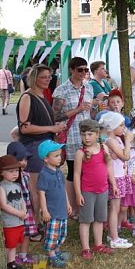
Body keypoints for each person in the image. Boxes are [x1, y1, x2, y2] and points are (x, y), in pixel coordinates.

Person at [16, 64, 67, 216]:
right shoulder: (27, 97)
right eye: (43, 77)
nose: (47, 80)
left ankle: (44, 219)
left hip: (44, 145)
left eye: (49, 77)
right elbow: (25, 128)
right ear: (34, 78)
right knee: (37, 187)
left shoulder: (41, 95)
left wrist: (54, 127)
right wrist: (51, 128)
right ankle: (37, 222)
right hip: (34, 146)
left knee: (44, 186)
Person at [52, 56, 94, 210]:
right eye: (80, 70)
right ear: (72, 70)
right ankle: (72, 207)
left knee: (87, 170)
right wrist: (78, 109)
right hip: (72, 135)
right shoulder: (62, 90)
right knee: (73, 171)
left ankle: (85, 204)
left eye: (86, 70)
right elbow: (56, 116)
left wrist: (96, 108)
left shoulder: (88, 88)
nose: (83, 73)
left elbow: (90, 113)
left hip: (88, 134)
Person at [73, 119, 116, 259]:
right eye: (83, 134)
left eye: (90, 134)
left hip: (103, 190)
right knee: (85, 220)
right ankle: (85, 248)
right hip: (87, 191)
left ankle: (98, 244)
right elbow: (76, 174)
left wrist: (113, 184)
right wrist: (78, 193)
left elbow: (109, 167)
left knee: (99, 219)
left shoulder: (104, 148)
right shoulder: (80, 153)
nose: (86, 138)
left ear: (97, 134)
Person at [37, 140, 73, 268]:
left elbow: (63, 189)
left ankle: (57, 251)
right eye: (56, 156)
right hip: (52, 212)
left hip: (61, 210)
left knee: (61, 233)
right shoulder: (44, 174)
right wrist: (44, 210)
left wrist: (68, 204)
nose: (60, 158)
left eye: (60, 155)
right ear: (46, 159)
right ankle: (52, 255)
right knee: (52, 234)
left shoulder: (59, 172)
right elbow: (41, 194)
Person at [100, 111, 133, 249]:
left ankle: (111, 233)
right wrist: (128, 141)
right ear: (112, 126)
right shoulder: (110, 141)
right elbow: (126, 156)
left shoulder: (117, 139)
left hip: (121, 175)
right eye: (121, 125)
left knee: (116, 208)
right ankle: (114, 238)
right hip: (115, 177)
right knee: (114, 208)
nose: (123, 128)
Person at [6, 141, 41, 262]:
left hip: (27, 210)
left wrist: (34, 208)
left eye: (25, 159)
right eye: (20, 159)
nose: (23, 163)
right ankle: (13, 256)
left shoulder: (26, 175)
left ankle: (23, 254)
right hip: (14, 211)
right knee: (15, 234)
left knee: (27, 233)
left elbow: (30, 191)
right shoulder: (9, 180)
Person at [0, 154, 27, 269]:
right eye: (11, 171)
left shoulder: (17, 185)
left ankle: (12, 262)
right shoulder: (1, 187)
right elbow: (3, 205)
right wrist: (19, 213)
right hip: (9, 222)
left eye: (16, 171)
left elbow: (22, 200)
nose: (15, 174)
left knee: (14, 244)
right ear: (2, 172)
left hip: (19, 221)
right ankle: (4, 263)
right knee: (9, 244)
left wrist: (24, 211)